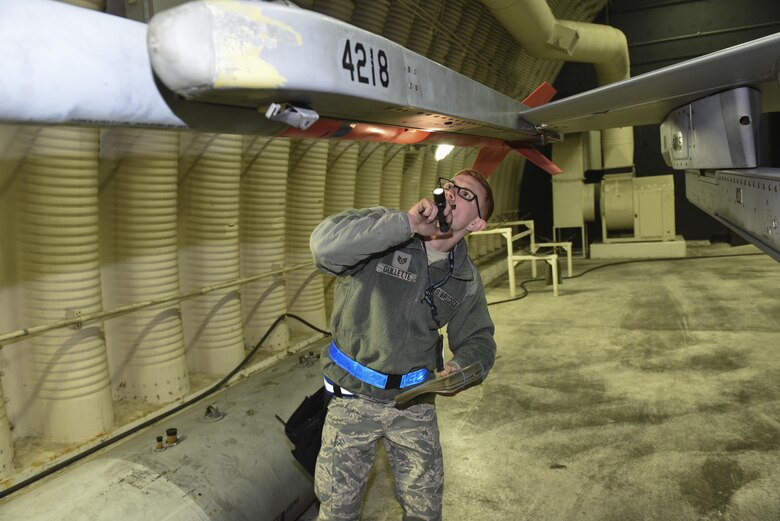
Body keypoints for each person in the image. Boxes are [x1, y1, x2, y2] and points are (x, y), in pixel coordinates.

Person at [309, 168, 497, 521]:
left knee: (425, 511)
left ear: (477, 225)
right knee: (338, 512)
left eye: (467, 194)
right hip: (352, 400)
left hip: (413, 404)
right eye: (450, 184)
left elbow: (479, 339)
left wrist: (464, 370)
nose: (453, 192)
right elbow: (323, 249)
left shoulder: (465, 278)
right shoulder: (385, 230)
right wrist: (405, 225)